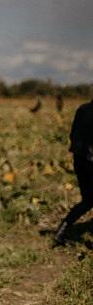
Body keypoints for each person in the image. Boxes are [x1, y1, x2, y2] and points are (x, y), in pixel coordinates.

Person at [54, 98, 93, 245]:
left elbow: (72, 135)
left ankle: (60, 232)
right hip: (91, 162)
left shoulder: (82, 109)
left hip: (79, 161)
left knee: (88, 200)